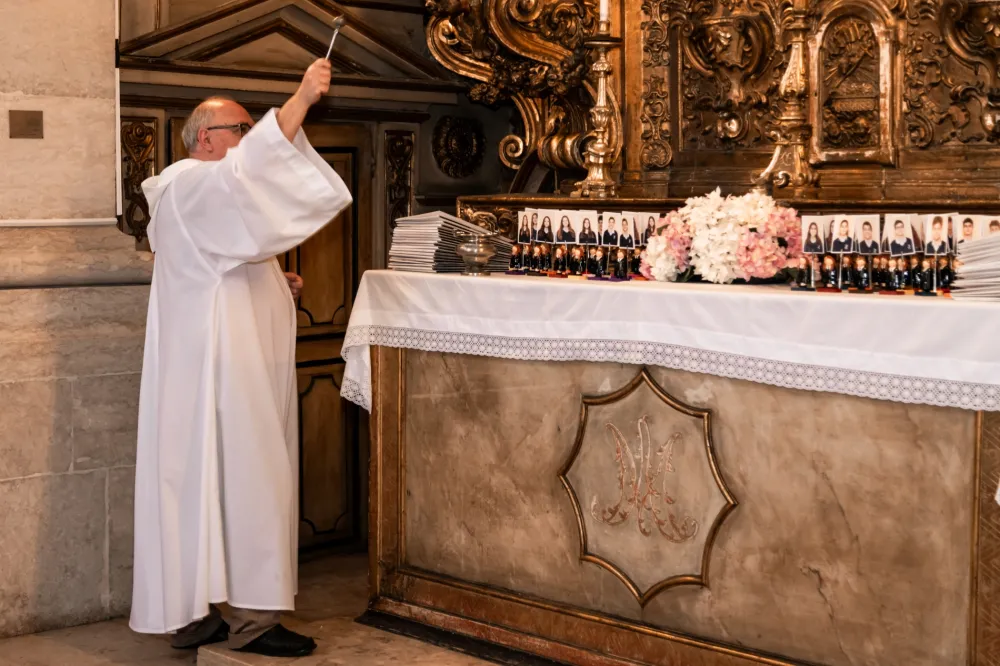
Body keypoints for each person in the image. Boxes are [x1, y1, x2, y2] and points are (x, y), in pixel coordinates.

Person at [132, 60, 352, 658]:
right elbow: (249, 174)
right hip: (224, 378)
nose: (249, 134)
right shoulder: (191, 182)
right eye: (241, 126)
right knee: (249, 479)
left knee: (199, 488)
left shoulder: (193, 197)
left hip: (206, 372)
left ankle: (192, 613)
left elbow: (222, 259)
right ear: (206, 138)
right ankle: (254, 622)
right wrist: (301, 98)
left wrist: (276, 282)